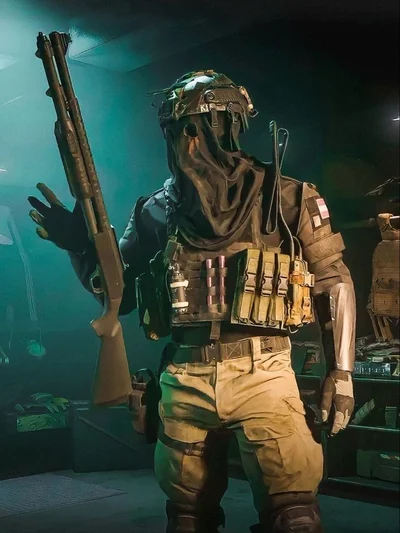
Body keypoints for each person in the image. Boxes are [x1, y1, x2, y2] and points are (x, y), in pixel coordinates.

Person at [28, 71, 356, 533]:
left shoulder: (289, 196)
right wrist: (81, 246)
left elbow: (333, 281)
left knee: (293, 517)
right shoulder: (156, 208)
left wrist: (341, 374)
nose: (189, 142)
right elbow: (117, 295)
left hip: (264, 374)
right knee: (186, 518)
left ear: (230, 125)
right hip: (184, 376)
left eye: (201, 127)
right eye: (178, 130)